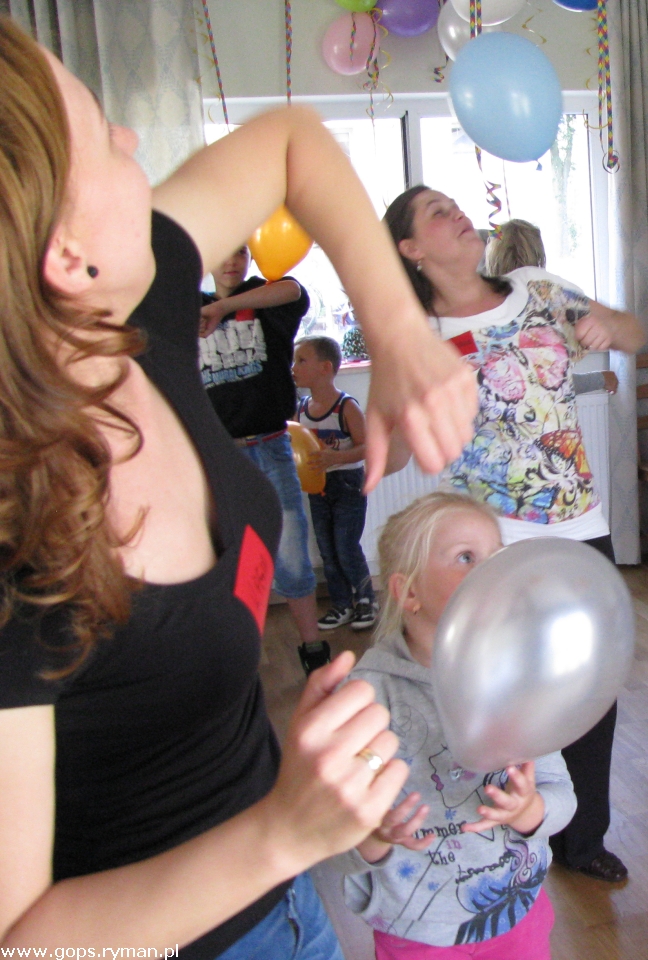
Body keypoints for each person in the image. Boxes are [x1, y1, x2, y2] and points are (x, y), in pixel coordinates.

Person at [0, 18, 478, 957]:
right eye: (104, 135)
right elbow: (21, 937)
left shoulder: (127, 316)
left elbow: (293, 141)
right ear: (65, 257)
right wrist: (284, 832)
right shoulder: (17, 536)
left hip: (291, 909)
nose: (131, 139)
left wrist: (398, 329)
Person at [384, 186, 644, 884]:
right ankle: (501, 829)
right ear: (411, 249)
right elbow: (399, 450)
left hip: (578, 527)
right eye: (436, 213)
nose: (457, 214)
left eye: (454, 204)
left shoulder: (536, 289)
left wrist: (608, 326)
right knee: (502, 696)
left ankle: (582, 838)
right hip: (489, 546)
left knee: (588, 691)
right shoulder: (416, 334)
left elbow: (633, 332)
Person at [336, 492, 576, 958]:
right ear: (409, 593)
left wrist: (529, 811)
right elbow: (333, 835)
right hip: (415, 930)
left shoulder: (519, 682)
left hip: (517, 913)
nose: (493, 573)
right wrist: (374, 834)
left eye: (497, 556)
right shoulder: (366, 697)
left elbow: (562, 796)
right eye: (466, 557)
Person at [200, 245, 329, 671]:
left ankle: (313, 650)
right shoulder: (189, 307)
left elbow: (294, 291)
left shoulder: (265, 297)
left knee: (291, 556)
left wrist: (223, 308)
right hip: (222, 458)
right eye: (223, 251)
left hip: (272, 447)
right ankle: (241, 660)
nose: (231, 261)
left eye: (240, 252)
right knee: (232, 561)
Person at [293, 335, 378, 632]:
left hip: (347, 485)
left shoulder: (346, 407)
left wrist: (336, 458)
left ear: (325, 367)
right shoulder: (301, 409)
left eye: (301, 361)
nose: (294, 367)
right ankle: (341, 604)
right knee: (327, 549)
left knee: (346, 547)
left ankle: (366, 600)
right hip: (318, 489)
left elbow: (367, 447)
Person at [485, 217, 619, 397]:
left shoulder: (477, 308)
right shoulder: (550, 308)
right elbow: (551, 383)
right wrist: (601, 379)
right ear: (539, 257)